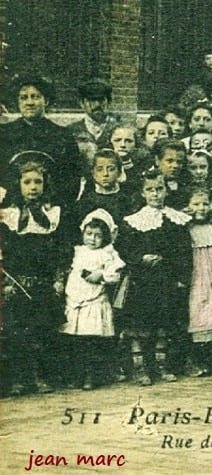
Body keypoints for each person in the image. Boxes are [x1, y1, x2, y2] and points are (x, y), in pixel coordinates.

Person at [1, 157, 73, 394]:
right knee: (17, 332)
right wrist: (6, 282)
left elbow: (62, 251)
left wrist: (59, 278)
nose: (33, 187)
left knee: (43, 330)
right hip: (17, 282)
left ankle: (43, 377)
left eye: (38, 182)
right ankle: (21, 379)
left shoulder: (52, 214)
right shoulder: (9, 215)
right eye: (27, 182)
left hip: (44, 282)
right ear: (19, 185)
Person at [117, 170, 192, 386]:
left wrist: (181, 276)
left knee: (165, 324)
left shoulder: (176, 219)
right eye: (150, 190)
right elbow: (123, 249)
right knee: (143, 326)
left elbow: (184, 251)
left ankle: (162, 366)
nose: (155, 194)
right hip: (143, 281)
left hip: (167, 279)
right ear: (142, 193)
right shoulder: (134, 221)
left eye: (159, 189)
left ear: (166, 191)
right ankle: (143, 368)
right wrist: (140, 258)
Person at [60, 209, 125, 390]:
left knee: (91, 340)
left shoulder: (107, 253)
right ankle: (77, 375)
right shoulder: (78, 251)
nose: (92, 239)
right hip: (75, 300)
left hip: (94, 300)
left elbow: (115, 275)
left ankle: (92, 375)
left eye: (98, 235)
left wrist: (101, 274)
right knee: (76, 340)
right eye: (89, 234)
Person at [0, 75, 81, 206]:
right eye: (23, 98)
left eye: (35, 97)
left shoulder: (63, 135)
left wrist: (53, 207)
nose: (29, 103)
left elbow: (71, 181)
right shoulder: (4, 134)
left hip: (50, 209)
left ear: (46, 101)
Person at [183, 186, 212, 377]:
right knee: (197, 314)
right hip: (196, 280)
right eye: (196, 204)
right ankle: (192, 360)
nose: (201, 208)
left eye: (205, 204)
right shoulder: (186, 229)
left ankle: (209, 360)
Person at [65, 78, 120, 153]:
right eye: (91, 100)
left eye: (101, 100)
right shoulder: (71, 131)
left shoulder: (119, 129)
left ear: (109, 102)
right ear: (82, 103)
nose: (97, 105)